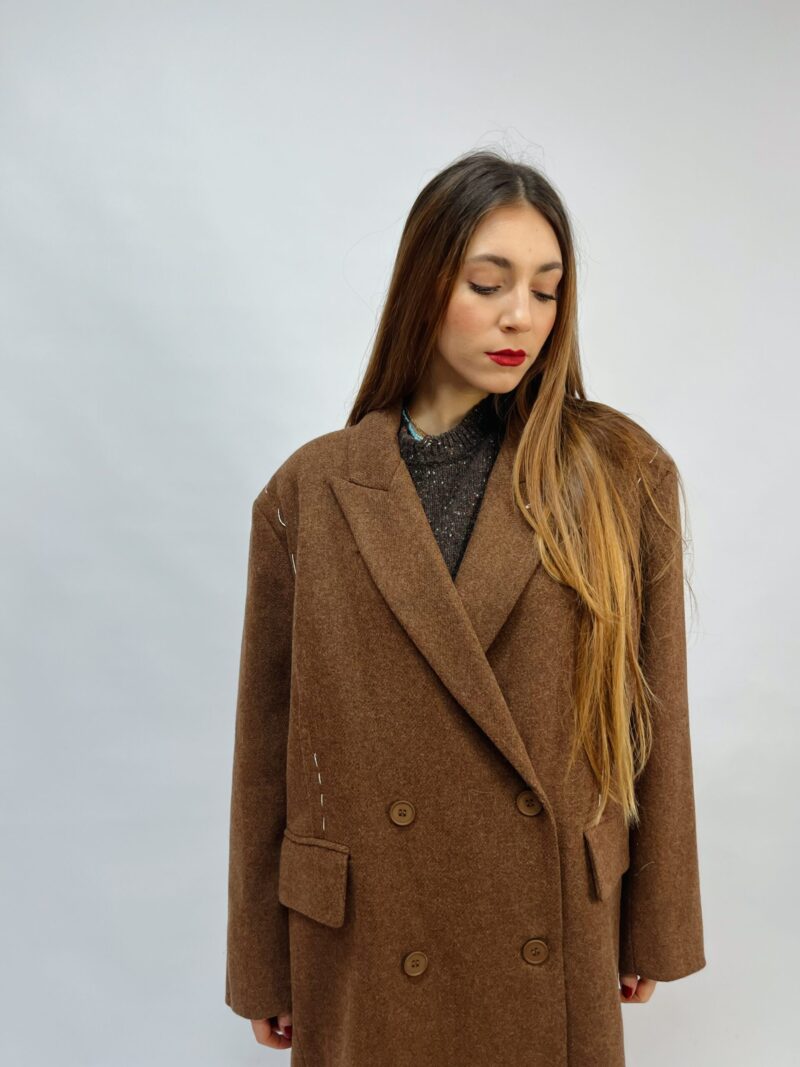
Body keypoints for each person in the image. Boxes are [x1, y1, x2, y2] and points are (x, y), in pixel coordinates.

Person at [225, 149, 706, 1065]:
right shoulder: (309, 491)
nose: (521, 315)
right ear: (424, 284)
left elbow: (656, 713)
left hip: (553, 914)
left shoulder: (617, 475)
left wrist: (656, 920)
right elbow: (267, 748)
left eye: (546, 289)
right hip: (369, 929)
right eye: (489, 283)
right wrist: (262, 963)